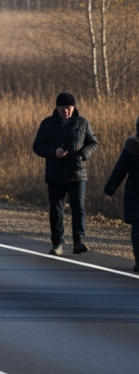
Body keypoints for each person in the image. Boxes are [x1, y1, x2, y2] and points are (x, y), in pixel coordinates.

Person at [33, 93, 99, 255]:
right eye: (63, 108)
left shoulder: (83, 122)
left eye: (69, 108)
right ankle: (57, 243)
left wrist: (84, 154)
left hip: (77, 173)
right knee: (56, 210)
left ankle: (79, 241)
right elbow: (37, 146)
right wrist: (53, 152)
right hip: (55, 174)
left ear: (74, 107)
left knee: (78, 207)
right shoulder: (47, 124)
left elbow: (93, 142)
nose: (66, 111)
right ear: (57, 108)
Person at [103, 116, 139, 271]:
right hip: (135, 194)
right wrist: (110, 190)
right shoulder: (132, 147)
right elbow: (120, 169)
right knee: (137, 230)